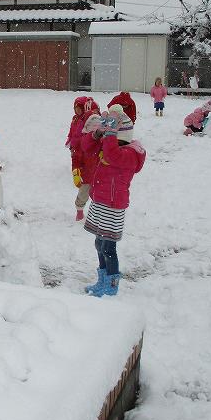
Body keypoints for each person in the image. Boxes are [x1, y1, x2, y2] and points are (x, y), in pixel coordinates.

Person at [81, 104, 145, 297]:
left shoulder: (130, 154)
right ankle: (102, 280)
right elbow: (86, 147)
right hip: (100, 201)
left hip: (113, 205)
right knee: (99, 244)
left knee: (108, 247)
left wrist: (109, 134)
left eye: (112, 135)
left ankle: (112, 284)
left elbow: (111, 155)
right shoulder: (111, 145)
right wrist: (97, 133)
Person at [66, 96, 101, 221]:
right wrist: (76, 171)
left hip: (99, 175)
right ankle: (79, 211)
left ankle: (97, 214)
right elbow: (76, 158)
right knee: (83, 194)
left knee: (99, 196)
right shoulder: (81, 142)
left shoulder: (102, 140)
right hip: (86, 175)